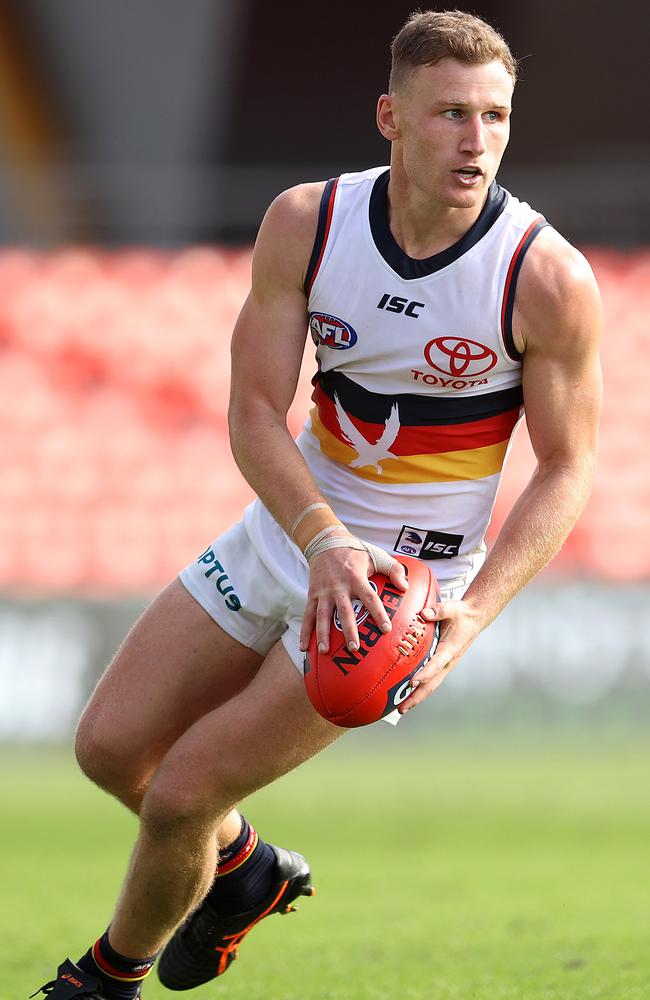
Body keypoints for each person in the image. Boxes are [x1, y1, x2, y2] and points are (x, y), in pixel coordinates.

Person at [32, 8, 602, 999]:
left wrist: (463, 622)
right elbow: (253, 410)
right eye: (449, 114)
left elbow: (567, 467)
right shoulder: (309, 223)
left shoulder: (542, 277)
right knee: (109, 748)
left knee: (179, 794)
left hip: (400, 589)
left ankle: (103, 979)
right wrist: (320, 536)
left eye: (495, 118)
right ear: (389, 115)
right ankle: (243, 869)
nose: (475, 141)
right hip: (294, 530)